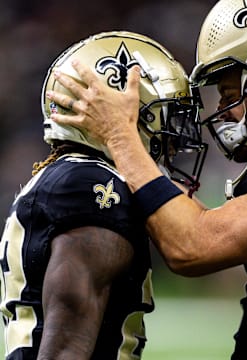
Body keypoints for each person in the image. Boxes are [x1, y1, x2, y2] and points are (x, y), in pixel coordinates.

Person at [46, 0, 247, 359]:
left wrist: (121, 137)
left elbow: (193, 246)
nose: (223, 111)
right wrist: (142, 164)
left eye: (229, 93)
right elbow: (190, 219)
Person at [0, 30, 206, 359]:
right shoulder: (92, 186)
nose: (173, 143)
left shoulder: (68, 176)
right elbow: (67, 348)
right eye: (165, 118)